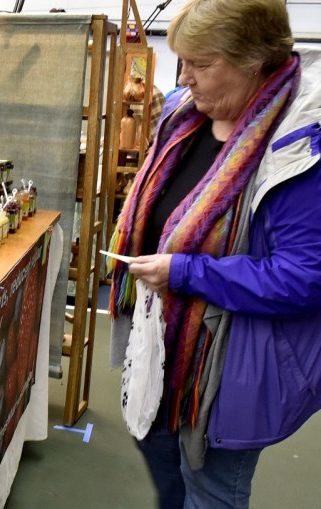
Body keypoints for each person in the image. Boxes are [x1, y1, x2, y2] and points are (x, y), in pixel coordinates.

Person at [107, 0, 321, 507]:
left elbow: (304, 277)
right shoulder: (185, 115)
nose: (185, 77)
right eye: (183, 62)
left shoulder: (296, 146)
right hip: (163, 343)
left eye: (200, 64)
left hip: (233, 364)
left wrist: (186, 272)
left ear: (254, 60)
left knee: (211, 488)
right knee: (160, 459)